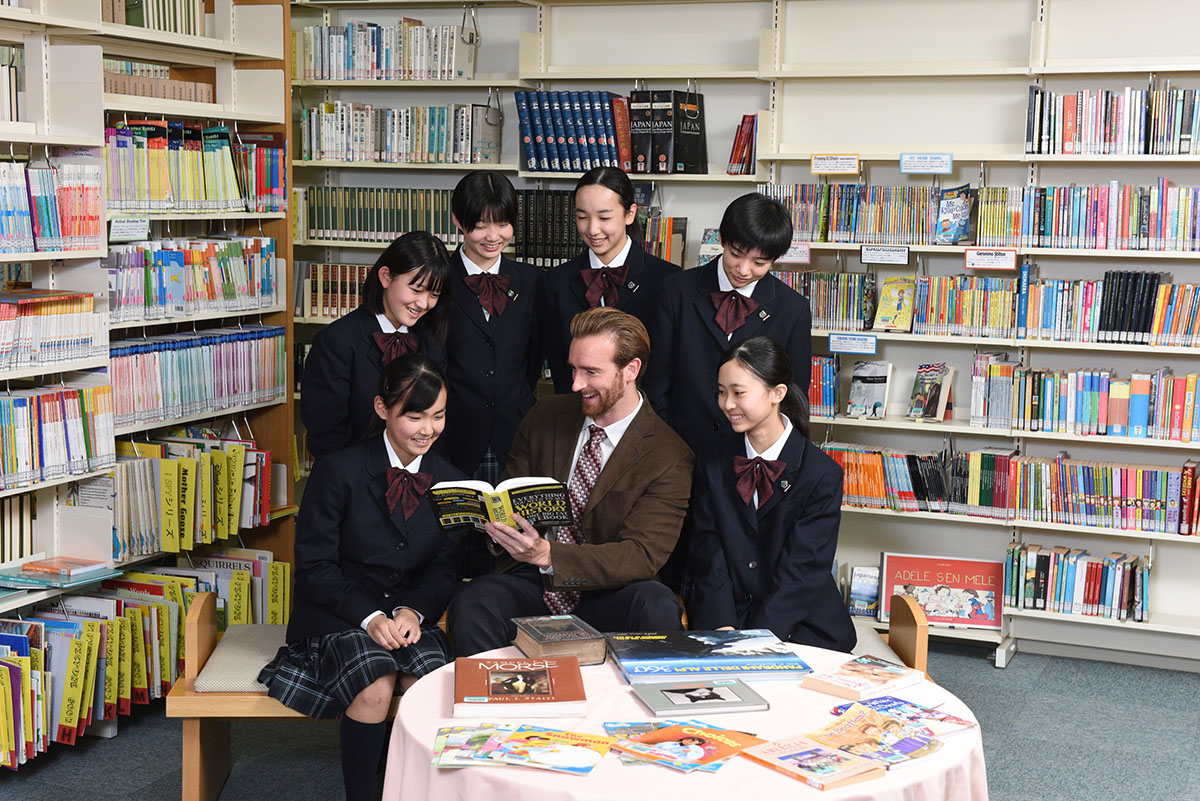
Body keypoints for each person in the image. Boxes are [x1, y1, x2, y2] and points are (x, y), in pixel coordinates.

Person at [259, 354, 468, 801]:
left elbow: (446, 568)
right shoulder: (338, 470)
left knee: (431, 687)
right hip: (340, 615)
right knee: (375, 684)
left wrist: (413, 610)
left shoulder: (453, 483)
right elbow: (315, 567)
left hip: (409, 618)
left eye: (438, 416)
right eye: (414, 416)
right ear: (382, 408)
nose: (428, 429)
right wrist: (371, 618)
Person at [448, 307, 694, 657]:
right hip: (534, 583)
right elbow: (508, 494)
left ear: (631, 370)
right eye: (573, 369)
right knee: (473, 601)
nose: (576, 384)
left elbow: (641, 555)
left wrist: (549, 554)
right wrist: (499, 528)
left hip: (610, 590)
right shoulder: (545, 415)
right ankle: (504, 694)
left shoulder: (670, 455)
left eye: (591, 372)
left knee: (656, 604)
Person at [687, 336, 856, 652]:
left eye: (738, 393)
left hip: (800, 623)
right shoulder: (712, 462)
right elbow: (708, 550)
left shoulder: (822, 474)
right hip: (727, 616)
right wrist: (723, 625)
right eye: (721, 392)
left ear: (777, 393)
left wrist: (757, 642)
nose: (727, 404)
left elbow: (803, 570)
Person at [645, 192, 813, 454]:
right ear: (722, 239)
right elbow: (656, 382)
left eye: (759, 263)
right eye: (736, 254)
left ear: (774, 259)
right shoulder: (676, 291)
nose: (743, 270)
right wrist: (670, 444)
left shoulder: (793, 308)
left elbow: (793, 396)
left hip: (751, 452)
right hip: (680, 447)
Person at [444, 172, 543, 577]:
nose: (492, 236)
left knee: (510, 556)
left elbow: (534, 360)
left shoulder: (532, 282)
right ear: (458, 221)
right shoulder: (437, 279)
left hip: (514, 436)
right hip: (451, 436)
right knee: (450, 552)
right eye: (480, 225)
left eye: (502, 224)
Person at [301, 231, 451, 461]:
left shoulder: (432, 341)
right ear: (386, 277)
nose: (423, 303)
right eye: (416, 290)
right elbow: (326, 437)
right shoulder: (336, 342)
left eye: (434, 294)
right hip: (352, 477)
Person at [540, 166, 680, 393]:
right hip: (578, 407)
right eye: (582, 217)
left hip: (646, 409)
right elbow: (559, 365)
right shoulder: (556, 282)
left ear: (630, 214)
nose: (592, 229)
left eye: (604, 217)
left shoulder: (668, 280)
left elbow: (669, 365)